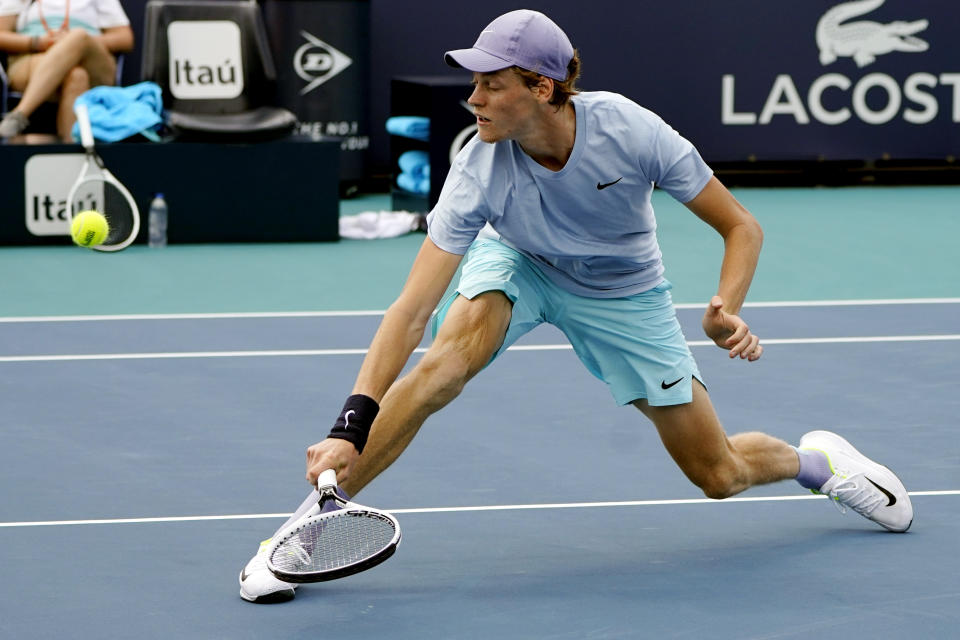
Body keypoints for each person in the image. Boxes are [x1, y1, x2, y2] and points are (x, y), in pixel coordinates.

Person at [239, 9, 914, 603]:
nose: (472, 97)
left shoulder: (631, 131)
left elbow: (741, 225)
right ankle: (304, 531)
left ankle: (819, 464)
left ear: (543, 88)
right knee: (441, 367)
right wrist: (348, 425)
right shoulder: (478, 165)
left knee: (718, 474)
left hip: (624, 291)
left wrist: (724, 308)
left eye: (490, 84)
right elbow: (412, 310)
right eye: (473, 82)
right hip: (521, 263)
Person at [0, 0, 133, 142]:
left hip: (92, 62)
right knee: (76, 75)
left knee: (79, 36)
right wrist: (37, 43)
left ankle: (20, 114)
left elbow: (125, 38)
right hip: (33, 58)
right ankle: (72, 151)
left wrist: (71, 42)